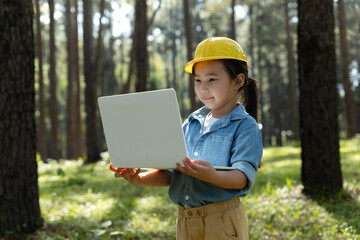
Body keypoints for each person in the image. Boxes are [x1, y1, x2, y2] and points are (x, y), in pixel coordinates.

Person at [112, 37, 263, 240]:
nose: (203, 88)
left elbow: (242, 178)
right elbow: (172, 175)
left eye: (211, 79)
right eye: (197, 80)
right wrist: (138, 178)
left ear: (238, 81)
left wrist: (212, 176)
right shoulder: (190, 123)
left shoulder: (245, 126)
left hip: (222, 220)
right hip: (185, 220)